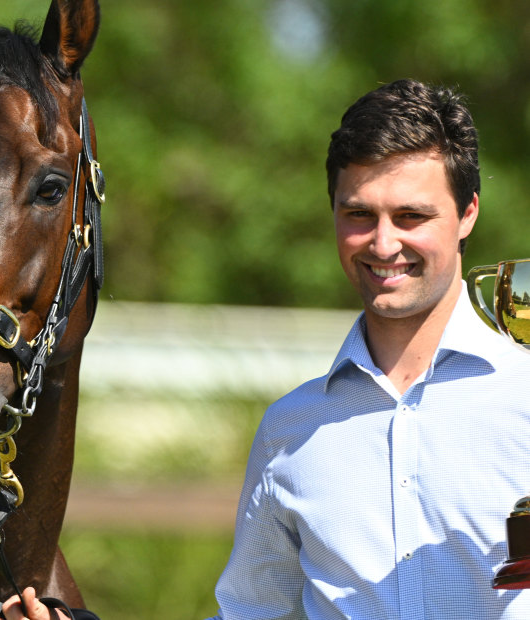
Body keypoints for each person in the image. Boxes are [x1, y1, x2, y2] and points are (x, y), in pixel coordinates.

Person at [206, 78, 530, 618]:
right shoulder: (289, 430)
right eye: (359, 214)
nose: (383, 244)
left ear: (467, 213)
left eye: (411, 216)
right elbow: (250, 613)